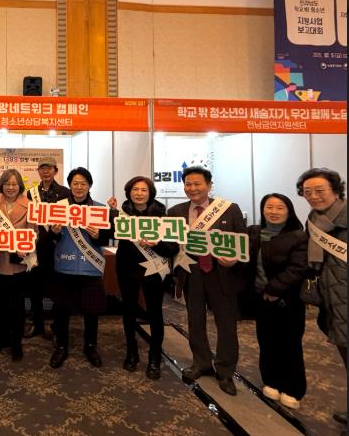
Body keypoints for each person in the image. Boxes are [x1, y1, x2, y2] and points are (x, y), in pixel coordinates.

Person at [162, 166, 246, 396]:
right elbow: (170, 244)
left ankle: (226, 371)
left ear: (209, 185)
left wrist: (235, 259)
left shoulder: (229, 209)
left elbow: (243, 242)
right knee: (195, 320)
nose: (192, 188)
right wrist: (154, 240)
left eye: (197, 183)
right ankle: (201, 363)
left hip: (222, 274)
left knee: (226, 324)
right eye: (188, 184)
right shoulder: (176, 211)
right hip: (192, 273)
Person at [247, 193, 308, 409]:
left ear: (289, 211)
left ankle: (293, 388)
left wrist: (274, 289)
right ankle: (271, 381)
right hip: (260, 299)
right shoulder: (254, 232)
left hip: (287, 300)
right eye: (269, 207)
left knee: (290, 344)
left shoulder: (298, 236)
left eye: (280, 207)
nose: (273, 211)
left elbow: (298, 268)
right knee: (266, 341)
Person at [48, 167, 113, 369]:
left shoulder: (99, 208)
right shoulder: (58, 207)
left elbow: (108, 237)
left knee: (91, 310)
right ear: (70, 185)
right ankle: (61, 347)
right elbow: (50, 238)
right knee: (62, 309)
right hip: (64, 266)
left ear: (89, 185)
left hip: (90, 266)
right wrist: (54, 231)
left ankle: (90, 346)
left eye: (83, 183)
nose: (79, 187)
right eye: (75, 183)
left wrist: (98, 235)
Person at [297, 168, 347, 423]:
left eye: (320, 190)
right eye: (308, 192)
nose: (314, 196)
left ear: (336, 190)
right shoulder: (314, 219)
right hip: (333, 298)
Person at [115, 176, 170, 380]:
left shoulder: (162, 215)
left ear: (150, 193)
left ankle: (155, 357)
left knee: (155, 313)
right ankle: (132, 352)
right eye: (135, 189)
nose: (139, 193)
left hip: (154, 268)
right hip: (127, 268)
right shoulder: (121, 214)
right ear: (129, 192)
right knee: (128, 310)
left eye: (143, 190)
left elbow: (172, 247)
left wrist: (158, 244)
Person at [0, 169, 35, 362]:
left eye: (14, 184)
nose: (10, 187)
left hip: (19, 262)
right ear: (1, 185)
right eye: (7, 183)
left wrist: (27, 246)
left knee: (18, 304)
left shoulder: (29, 205)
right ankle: (3, 337)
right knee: (0, 304)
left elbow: (34, 232)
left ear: (20, 186)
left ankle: (16, 343)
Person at [25, 157, 70, 339]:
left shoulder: (65, 193)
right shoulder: (30, 194)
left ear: (55, 171)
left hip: (58, 247)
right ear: (38, 171)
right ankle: (37, 324)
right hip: (37, 248)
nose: (46, 171)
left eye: (49, 168)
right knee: (35, 288)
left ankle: (57, 325)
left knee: (58, 290)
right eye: (42, 168)